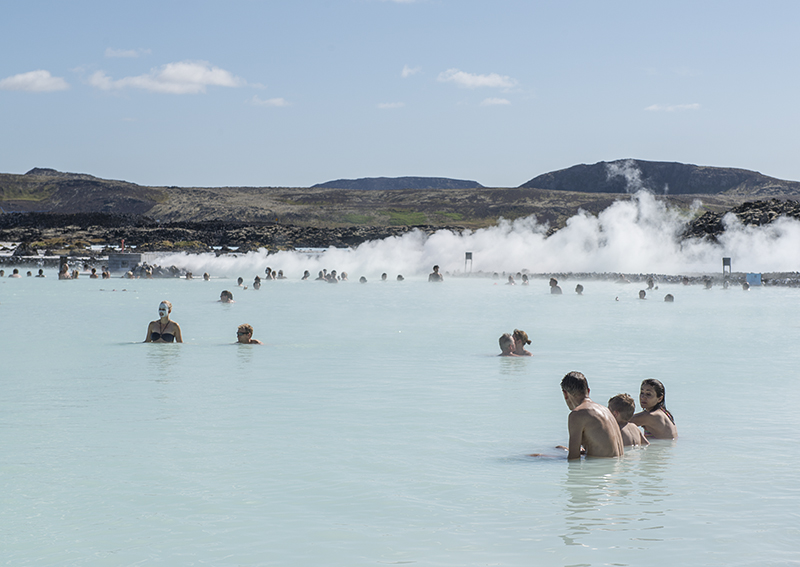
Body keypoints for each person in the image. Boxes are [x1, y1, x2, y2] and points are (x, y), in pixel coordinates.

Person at [560, 371, 624, 460]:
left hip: (601, 471)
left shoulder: (577, 414)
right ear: (588, 391)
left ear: (565, 394)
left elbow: (573, 458)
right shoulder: (606, 410)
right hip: (617, 469)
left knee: (539, 456)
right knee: (559, 448)